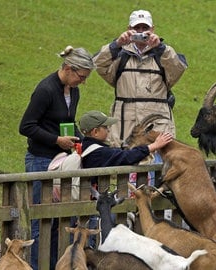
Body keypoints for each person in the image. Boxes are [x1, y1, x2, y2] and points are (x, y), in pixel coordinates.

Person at [19, 45, 95, 270]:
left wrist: (84, 142)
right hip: (41, 159)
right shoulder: (45, 90)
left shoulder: (74, 91)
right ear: (70, 69)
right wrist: (56, 140)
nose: (82, 82)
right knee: (40, 220)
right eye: (81, 77)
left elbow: (69, 122)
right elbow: (26, 126)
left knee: (57, 221)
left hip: (62, 159)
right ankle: (37, 266)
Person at [93, 9, 187, 148]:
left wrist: (160, 47)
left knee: (156, 167)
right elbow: (97, 64)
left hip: (157, 129)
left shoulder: (163, 54)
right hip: (124, 129)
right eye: (136, 28)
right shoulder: (120, 54)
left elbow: (178, 68)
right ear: (129, 29)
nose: (141, 32)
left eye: (145, 28)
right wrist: (117, 44)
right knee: (123, 167)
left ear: (153, 29)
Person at [78, 110, 173, 247]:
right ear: (95, 132)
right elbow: (125, 157)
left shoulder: (88, 147)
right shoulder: (98, 153)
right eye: (106, 128)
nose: (109, 130)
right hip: (97, 210)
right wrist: (153, 146)